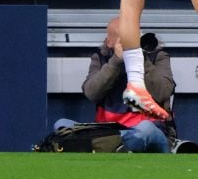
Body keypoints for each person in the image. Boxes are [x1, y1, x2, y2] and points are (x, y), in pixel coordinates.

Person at [66, 17, 175, 153]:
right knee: (63, 126)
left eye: (132, 36)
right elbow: (91, 93)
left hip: (149, 131)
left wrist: (139, 59)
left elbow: (163, 91)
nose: (129, 43)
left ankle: (112, 149)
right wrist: (115, 61)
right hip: (110, 132)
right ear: (109, 42)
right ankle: (117, 147)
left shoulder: (158, 57)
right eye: (123, 39)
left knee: (145, 129)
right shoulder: (100, 59)